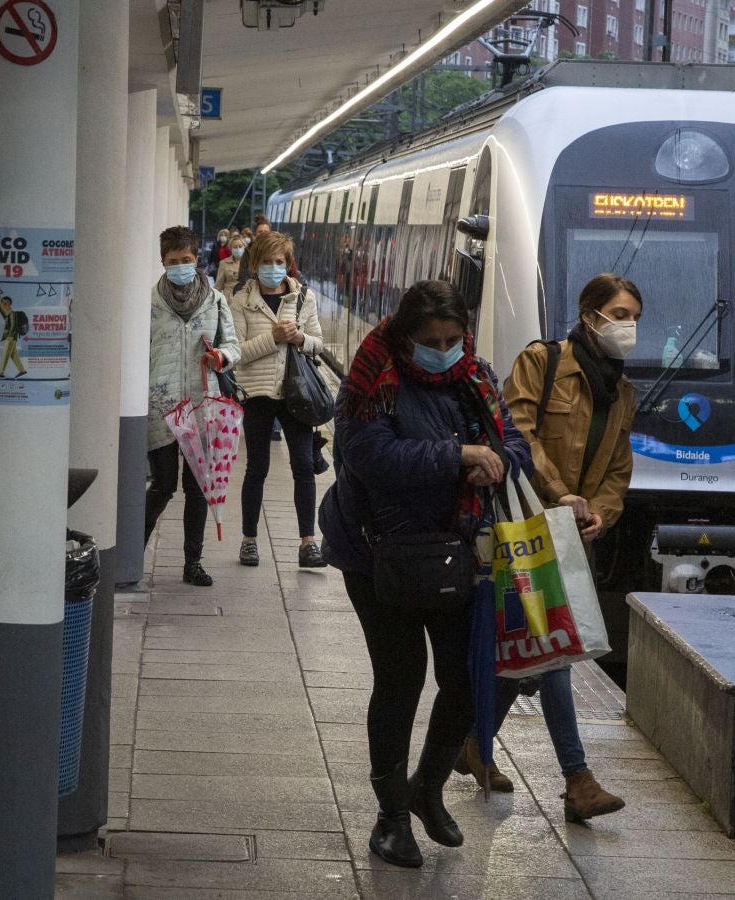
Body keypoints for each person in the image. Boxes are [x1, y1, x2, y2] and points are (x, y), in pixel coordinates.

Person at [319, 280, 532, 869]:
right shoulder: (371, 383)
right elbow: (371, 458)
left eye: (453, 338)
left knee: (466, 676)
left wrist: (496, 458)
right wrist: (458, 454)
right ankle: (390, 818)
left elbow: (515, 444)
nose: (445, 349)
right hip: (377, 554)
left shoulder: (476, 377)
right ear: (405, 337)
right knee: (401, 676)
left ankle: (427, 787)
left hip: (455, 550)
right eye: (431, 341)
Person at [454, 272, 642, 822]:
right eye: (619, 314)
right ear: (590, 315)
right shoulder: (545, 361)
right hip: (527, 522)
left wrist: (601, 511)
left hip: (570, 534)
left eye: (634, 316)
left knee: (535, 650)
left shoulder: (623, 390)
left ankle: (472, 742)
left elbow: (619, 465)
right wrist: (563, 495)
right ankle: (577, 779)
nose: (628, 326)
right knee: (552, 648)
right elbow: (518, 432)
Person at [145, 225, 241, 587]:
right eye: (173, 262)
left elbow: (234, 344)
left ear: (196, 259)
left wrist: (222, 356)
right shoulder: (149, 303)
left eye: (186, 260)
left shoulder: (215, 300)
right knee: (164, 485)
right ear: (162, 262)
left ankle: (193, 562)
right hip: (161, 406)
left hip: (202, 405)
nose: (181, 266)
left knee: (199, 487)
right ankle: (132, 550)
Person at [230, 232, 326, 568]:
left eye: (280, 262)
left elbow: (318, 343)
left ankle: (308, 542)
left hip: (295, 393)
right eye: (267, 262)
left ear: (288, 264)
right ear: (255, 265)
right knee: (257, 467)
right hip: (256, 394)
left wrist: (299, 337)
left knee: (303, 466)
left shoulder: (303, 299)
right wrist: (272, 339)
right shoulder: (241, 301)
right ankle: (249, 539)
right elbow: (236, 353)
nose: (274, 268)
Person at [0, 289, 27, 378]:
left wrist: (10, 336)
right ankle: (22, 370)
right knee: (13, 355)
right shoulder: (7, 314)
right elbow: (1, 309)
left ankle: (1, 373)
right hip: (10, 337)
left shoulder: (12, 314)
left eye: (5, 304)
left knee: (6, 354)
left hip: (10, 337)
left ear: (9, 304)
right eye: (3, 303)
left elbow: (13, 325)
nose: (4, 305)